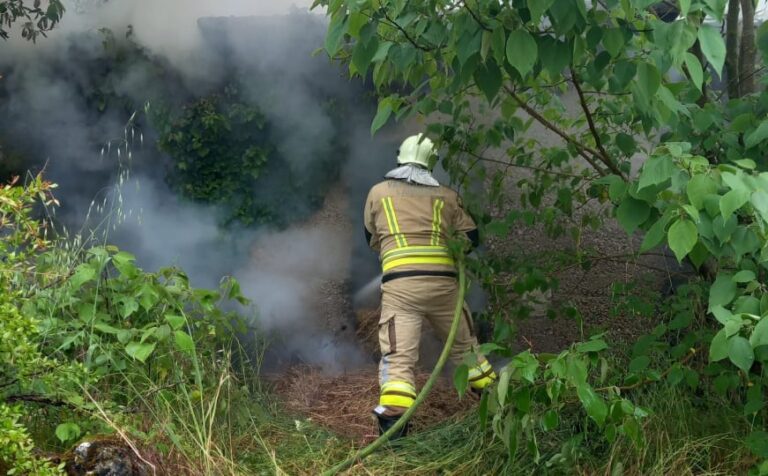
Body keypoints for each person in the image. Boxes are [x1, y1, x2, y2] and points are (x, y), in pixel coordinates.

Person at [363, 133, 496, 439]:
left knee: (399, 361)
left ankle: (394, 436)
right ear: (432, 163)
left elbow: (371, 238)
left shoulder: (378, 192)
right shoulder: (447, 196)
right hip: (444, 287)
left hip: (401, 289)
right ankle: (498, 409)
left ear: (400, 157)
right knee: (467, 350)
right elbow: (471, 238)